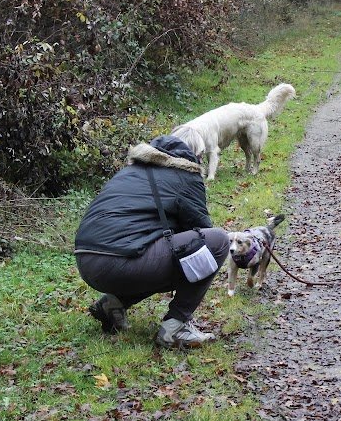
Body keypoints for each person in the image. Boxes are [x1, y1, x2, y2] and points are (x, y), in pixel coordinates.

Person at [74, 135, 229, 349]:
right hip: (122, 262)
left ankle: (113, 305)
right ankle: (175, 328)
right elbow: (203, 231)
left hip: (85, 260)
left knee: (160, 253)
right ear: (193, 157)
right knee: (217, 242)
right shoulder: (186, 175)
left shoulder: (127, 173)